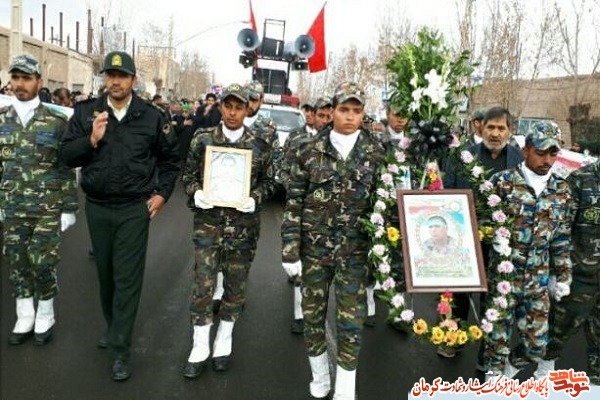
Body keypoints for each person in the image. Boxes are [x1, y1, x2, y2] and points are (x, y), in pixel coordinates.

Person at [61, 51, 180, 381]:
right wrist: (90, 140)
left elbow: (170, 160)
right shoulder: (86, 112)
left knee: (127, 278)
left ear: (133, 80)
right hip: (98, 207)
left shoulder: (152, 117)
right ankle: (114, 326)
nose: (115, 81)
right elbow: (66, 156)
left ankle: (121, 349)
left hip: (133, 209)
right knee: (106, 276)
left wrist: (162, 194)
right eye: (110, 75)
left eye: (122, 76)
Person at [281, 82, 386, 400]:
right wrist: (290, 250)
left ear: (363, 114)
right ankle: (320, 377)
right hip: (314, 252)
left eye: (356, 110)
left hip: (355, 254)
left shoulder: (377, 153)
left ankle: (345, 387)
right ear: (333, 111)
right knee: (313, 317)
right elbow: (294, 202)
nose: (350, 116)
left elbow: (386, 206)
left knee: (351, 323)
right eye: (344, 109)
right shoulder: (308, 150)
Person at [181, 83, 276, 379]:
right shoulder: (203, 139)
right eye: (228, 106)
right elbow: (188, 175)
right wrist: (196, 192)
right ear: (221, 107)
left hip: (243, 228)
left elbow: (271, 182)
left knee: (236, 285)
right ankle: (199, 345)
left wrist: (255, 198)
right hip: (208, 225)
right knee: (203, 284)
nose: (233, 113)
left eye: (239, 107)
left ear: (248, 109)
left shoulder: (259, 144)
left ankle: (224, 340)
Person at [483, 123, 572, 381]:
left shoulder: (561, 190)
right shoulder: (502, 183)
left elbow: (561, 237)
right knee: (496, 342)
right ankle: (493, 383)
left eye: (553, 154)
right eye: (541, 153)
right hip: (503, 280)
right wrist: (492, 235)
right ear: (526, 150)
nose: (547, 160)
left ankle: (509, 371)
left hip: (537, 282)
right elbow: (479, 223)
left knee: (537, 345)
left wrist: (563, 276)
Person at [0, 54, 78, 346]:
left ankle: (46, 313)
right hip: (12, 205)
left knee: (43, 261)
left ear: (38, 82)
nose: (20, 84)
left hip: (47, 206)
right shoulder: (2, 120)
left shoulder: (56, 121)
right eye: (15, 78)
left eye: (26, 78)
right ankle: (25, 315)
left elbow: (66, 166)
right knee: (17, 260)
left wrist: (69, 207)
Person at [442, 106, 524, 360]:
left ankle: (488, 351)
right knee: (459, 293)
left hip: (501, 243)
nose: (495, 133)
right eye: (491, 127)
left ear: (510, 131)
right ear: (481, 127)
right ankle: (452, 339)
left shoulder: (520, 161)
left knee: (495, 295)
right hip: (465, 237)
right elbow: (448, 192)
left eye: (501, 128)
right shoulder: (463, 156)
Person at [533, 135, 600, 385]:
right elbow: (559, 231)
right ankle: (543, 376)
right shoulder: (581, 180)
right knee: (558, 332)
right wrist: (555, 273)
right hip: (579, 277)